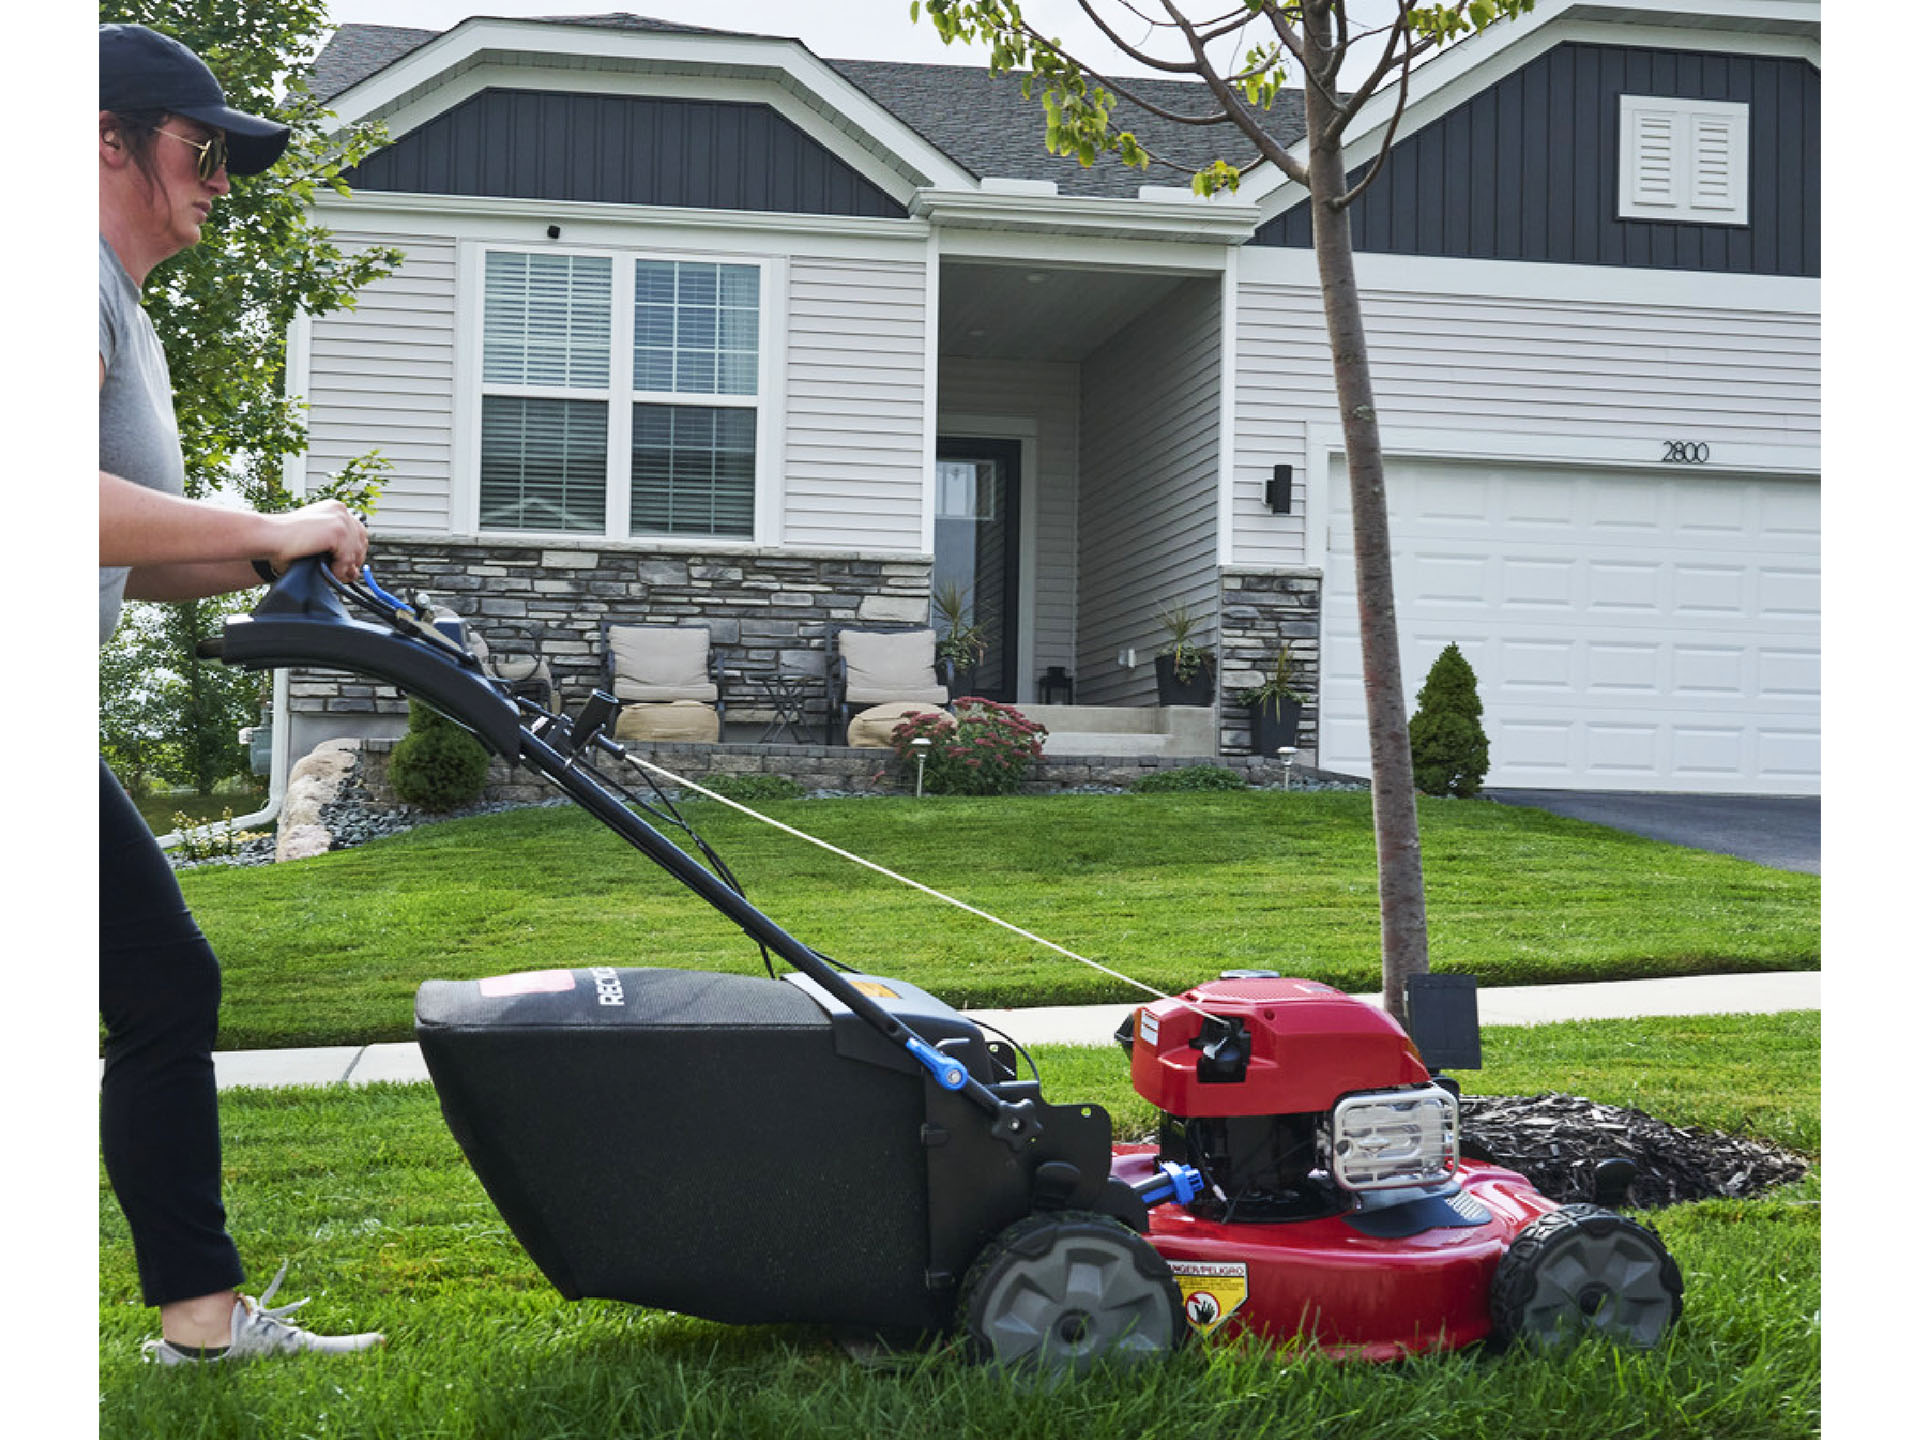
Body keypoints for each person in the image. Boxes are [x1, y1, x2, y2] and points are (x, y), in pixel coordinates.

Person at [99, 23, 383, 1365]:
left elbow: (127, 559)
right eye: (200, 149)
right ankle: (199, 1323)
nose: (220, 178)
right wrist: (269, 520)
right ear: (106, 139)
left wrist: (269, 550)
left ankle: (200, 1326)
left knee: (161, 984)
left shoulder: (116, 309)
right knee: (161, 984)